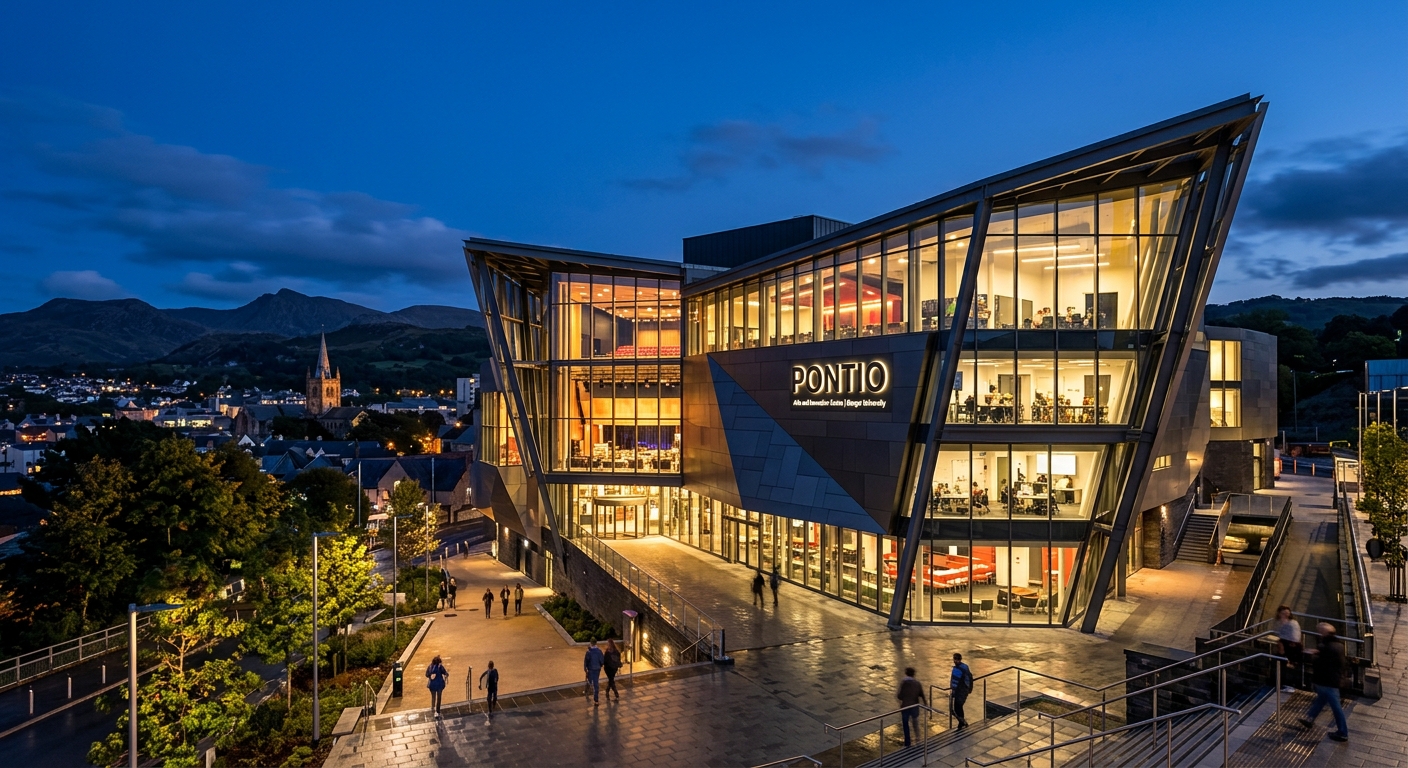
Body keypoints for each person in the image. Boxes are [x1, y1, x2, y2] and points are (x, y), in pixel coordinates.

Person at [1299, 622, 1349, 742]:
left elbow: (1321, 663)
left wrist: (1312, 656)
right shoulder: (1338, 645)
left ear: (1324, 634)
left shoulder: (1326, 647)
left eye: (1319, 632)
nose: (1318, 635)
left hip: (1328, 681)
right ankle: (1310, 718)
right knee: (1321, 699)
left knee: (1336, 707)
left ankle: (1343, 732)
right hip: (1333, 679)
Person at [896, 667, 926, 747]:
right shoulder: (917, 683)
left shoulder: (904, 683)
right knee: (915, 722)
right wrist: (925, 703)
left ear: (906, 673)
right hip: (914, 705)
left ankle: (907, 742)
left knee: (905, 724)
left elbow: (899, 696)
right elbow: (921, 694)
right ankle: (918, 738)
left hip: (905, 706)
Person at [1273, 605, 1303, 674]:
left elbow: (1293, 637)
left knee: (1279, 643)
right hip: (1292, 644)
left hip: (1292, 646)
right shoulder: (1283, 622)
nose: (1285, 616)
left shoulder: (1292, 623)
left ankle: (1284, 661)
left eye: (1286, 614)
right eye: (1283, 614)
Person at [950, 653, 973, 728]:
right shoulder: (960, 667)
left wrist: (969, 689)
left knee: (958, 707)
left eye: (957, 659)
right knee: (957, 707)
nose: (955, 661)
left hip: (961, 690)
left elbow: (969, 678)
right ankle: (961, 722)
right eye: (955, 659)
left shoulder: (961, 668)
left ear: (960, 659)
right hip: (959, 691)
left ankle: (962, 722)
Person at [584, 640, 605, 705]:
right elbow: (602, 660)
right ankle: (596, 700)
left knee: (589, 680)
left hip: (590, 669)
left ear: (591, 644)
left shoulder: (589, 652)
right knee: (596, 682)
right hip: (597, 669)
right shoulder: (599, 651)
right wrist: (600, 665)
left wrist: (585, 668)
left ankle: (587, 690)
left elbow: (586, 661)